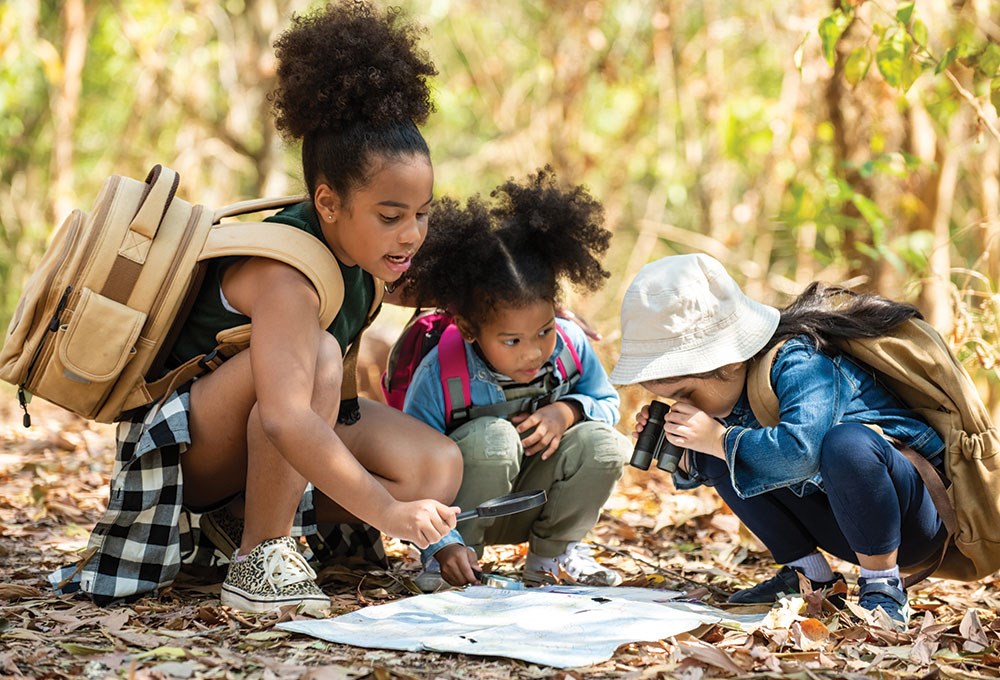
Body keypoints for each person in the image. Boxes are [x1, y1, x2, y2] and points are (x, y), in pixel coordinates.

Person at [50, 1, 463, 613]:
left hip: (264, 429)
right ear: (327, 202)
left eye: (422, 214)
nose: (411, 235)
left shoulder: (371, 257)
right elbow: (287, 419)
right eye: (391, 216)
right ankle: (259, 556)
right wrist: (389, 513)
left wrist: (554, 320)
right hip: (184, 450)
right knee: (319, 357)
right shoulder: (285, 276)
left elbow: (461, 292)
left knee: (435, 465)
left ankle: (239, 521)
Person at [611, 253, 948, 627]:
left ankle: (882, 586)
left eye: (685, 393)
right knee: (721, 450)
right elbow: (733, 460)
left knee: (845, 444)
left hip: (908, 521)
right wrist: (688, 449)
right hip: (843, 523)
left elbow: (801, 454)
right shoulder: (729, 393)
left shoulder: (801, 362)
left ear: (730, 361)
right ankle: (808, 576)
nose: (682, 406)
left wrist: (719, 440)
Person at [400, 169, 632, 589]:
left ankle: (552, 557)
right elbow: (413, 465)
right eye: (512, 340)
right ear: (471, 329)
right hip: (461, 517)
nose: (533, 351)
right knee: (494, 438)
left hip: (536, 503)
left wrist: (568, 410)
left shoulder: (571, 345)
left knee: (606, 444)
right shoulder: (441, 373)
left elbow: (608, 403)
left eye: (544, 330)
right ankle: (455, 561)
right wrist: (441, 543)